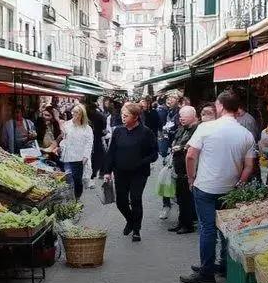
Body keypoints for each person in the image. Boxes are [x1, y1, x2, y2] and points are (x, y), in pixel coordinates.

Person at [182, 91, 257, 283]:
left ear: (221, 106)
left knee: (207, 229)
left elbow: (190, 156)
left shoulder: (206, 128)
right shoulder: (246, 134)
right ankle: (224, 265)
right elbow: (249, 166)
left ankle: (207, 270)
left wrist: (191, 178)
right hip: (230, 189)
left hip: (205, 186)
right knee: (225, 229)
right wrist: (240, 181)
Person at [102, 103, 158, 242]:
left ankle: (136, 230)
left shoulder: (146, 132)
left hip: (139, 173)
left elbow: (154, 154)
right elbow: (111, 152)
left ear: (136, 117)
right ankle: (130, 220)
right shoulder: (118, 131)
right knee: (121, 202)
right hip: (120, 172)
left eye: (126, 115)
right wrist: (107, 171)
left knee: (135, 199)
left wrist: (140, 162)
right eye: (122, 115)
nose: (123, 117)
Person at [168, 106, 200, 234]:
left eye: (184, 116)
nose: (181, 118)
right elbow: (176, 139)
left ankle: (188, 224)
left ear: (193, 116)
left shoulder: (197, 129)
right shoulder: (183, 128)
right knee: (181, 198)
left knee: (187, 198)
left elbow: (192, 147)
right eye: (180, 116)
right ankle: (181, 222)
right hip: (179, 169)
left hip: (188, 170)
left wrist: (180, 147)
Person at [59, 105, 93, 199]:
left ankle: (77, 198)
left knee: (77, 179)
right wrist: (61, 147)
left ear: (82, 114)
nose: (73, 114)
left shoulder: (87, 128)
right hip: (67, 156)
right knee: (68, 177)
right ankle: (69, 198)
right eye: (73, 111)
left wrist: (86, 156)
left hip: (79, 157)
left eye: (76, 112)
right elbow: (64, 139)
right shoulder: (66, 125)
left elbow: (89, 144)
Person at [86, 98, 107, 188]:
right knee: (98, 157)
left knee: (89, 158)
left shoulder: (85, 115)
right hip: (97, 139)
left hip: (87, 139)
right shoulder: (101, 115)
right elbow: (104, 130)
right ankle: (94, 175)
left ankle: (90, 177)